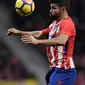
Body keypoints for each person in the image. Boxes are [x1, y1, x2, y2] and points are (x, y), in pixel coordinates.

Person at [7, 0, 76, 85]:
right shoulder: (54, 24)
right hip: (55, 69)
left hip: (65, 70)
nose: (50, 10)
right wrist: (19, 32)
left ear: (63, 10)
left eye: (54, 8)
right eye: (51, 8)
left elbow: (62, 40)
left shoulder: (67, 23)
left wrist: (37, 42)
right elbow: (40, 33)